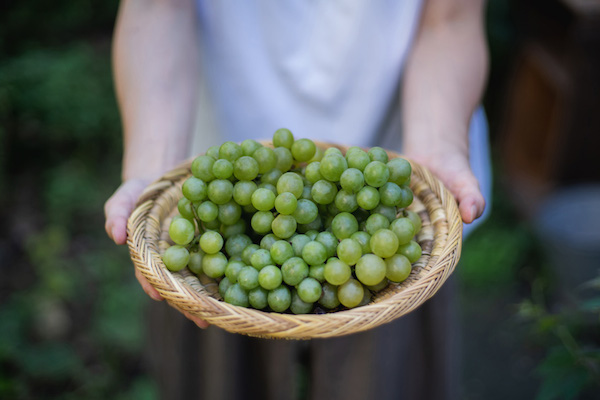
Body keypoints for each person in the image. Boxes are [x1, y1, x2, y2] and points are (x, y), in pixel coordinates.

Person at [104, 0, 491, 399]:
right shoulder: (207, 235)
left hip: (402, 187)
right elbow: (156, 8)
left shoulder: (396, 237)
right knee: (219, 380)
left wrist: (438, 146)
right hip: (211, 192)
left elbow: (450, 20)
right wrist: (153, 167)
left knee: (386, 380)